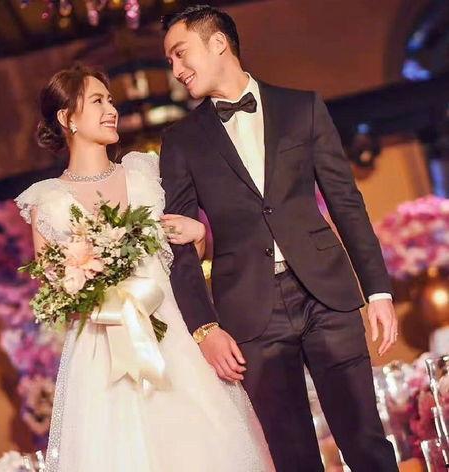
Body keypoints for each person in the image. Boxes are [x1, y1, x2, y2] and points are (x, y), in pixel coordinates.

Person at [161, 5, 399, 471]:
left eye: (180, 53)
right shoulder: (181, 141)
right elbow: (178, 243)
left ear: (218, 42)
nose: (176, 68)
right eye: (170, 60)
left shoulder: (301, 107)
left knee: (366, 441)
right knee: (293, 459)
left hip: (327, 295)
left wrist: (378, 290)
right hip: (250, 312)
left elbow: (346, 203)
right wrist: (204, 328)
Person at [15, 65, 274, 472]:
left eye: (110, 101)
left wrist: (199, 234)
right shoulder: (47, 202)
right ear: (67, 118)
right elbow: (58, 291)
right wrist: (88, 281)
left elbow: (186, 258)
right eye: (97, 101)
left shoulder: (144, 171)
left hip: (175, 332)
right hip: (103, 352)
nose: (111, 110)